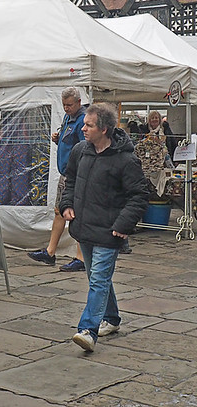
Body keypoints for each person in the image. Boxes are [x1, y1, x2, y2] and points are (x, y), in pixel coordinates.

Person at [60, 102, 148, 352]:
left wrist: (124, 224)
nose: (84, 128)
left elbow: (140, 196)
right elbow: (71, 180)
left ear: (105, 129)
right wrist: (66, 204)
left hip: (110, 231)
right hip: (84, 227)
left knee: (98, 279)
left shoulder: (126, 160)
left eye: (89, 125)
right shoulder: (80, 151)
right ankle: (111, 318)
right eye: (84, 124)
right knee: (97, 278)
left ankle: (88, 330)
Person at [28, 87, 86, 271]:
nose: (66, 108)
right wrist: (58, 138)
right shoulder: (69, 117)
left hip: (76, 174)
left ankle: (81, 258)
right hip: (66, 173)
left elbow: (84, 146)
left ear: (78, 102)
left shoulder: (83, 119)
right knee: (59, 211)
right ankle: (50, 252)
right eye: (64, 105)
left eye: (69, 105)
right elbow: (69, 140)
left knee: (76, 214)